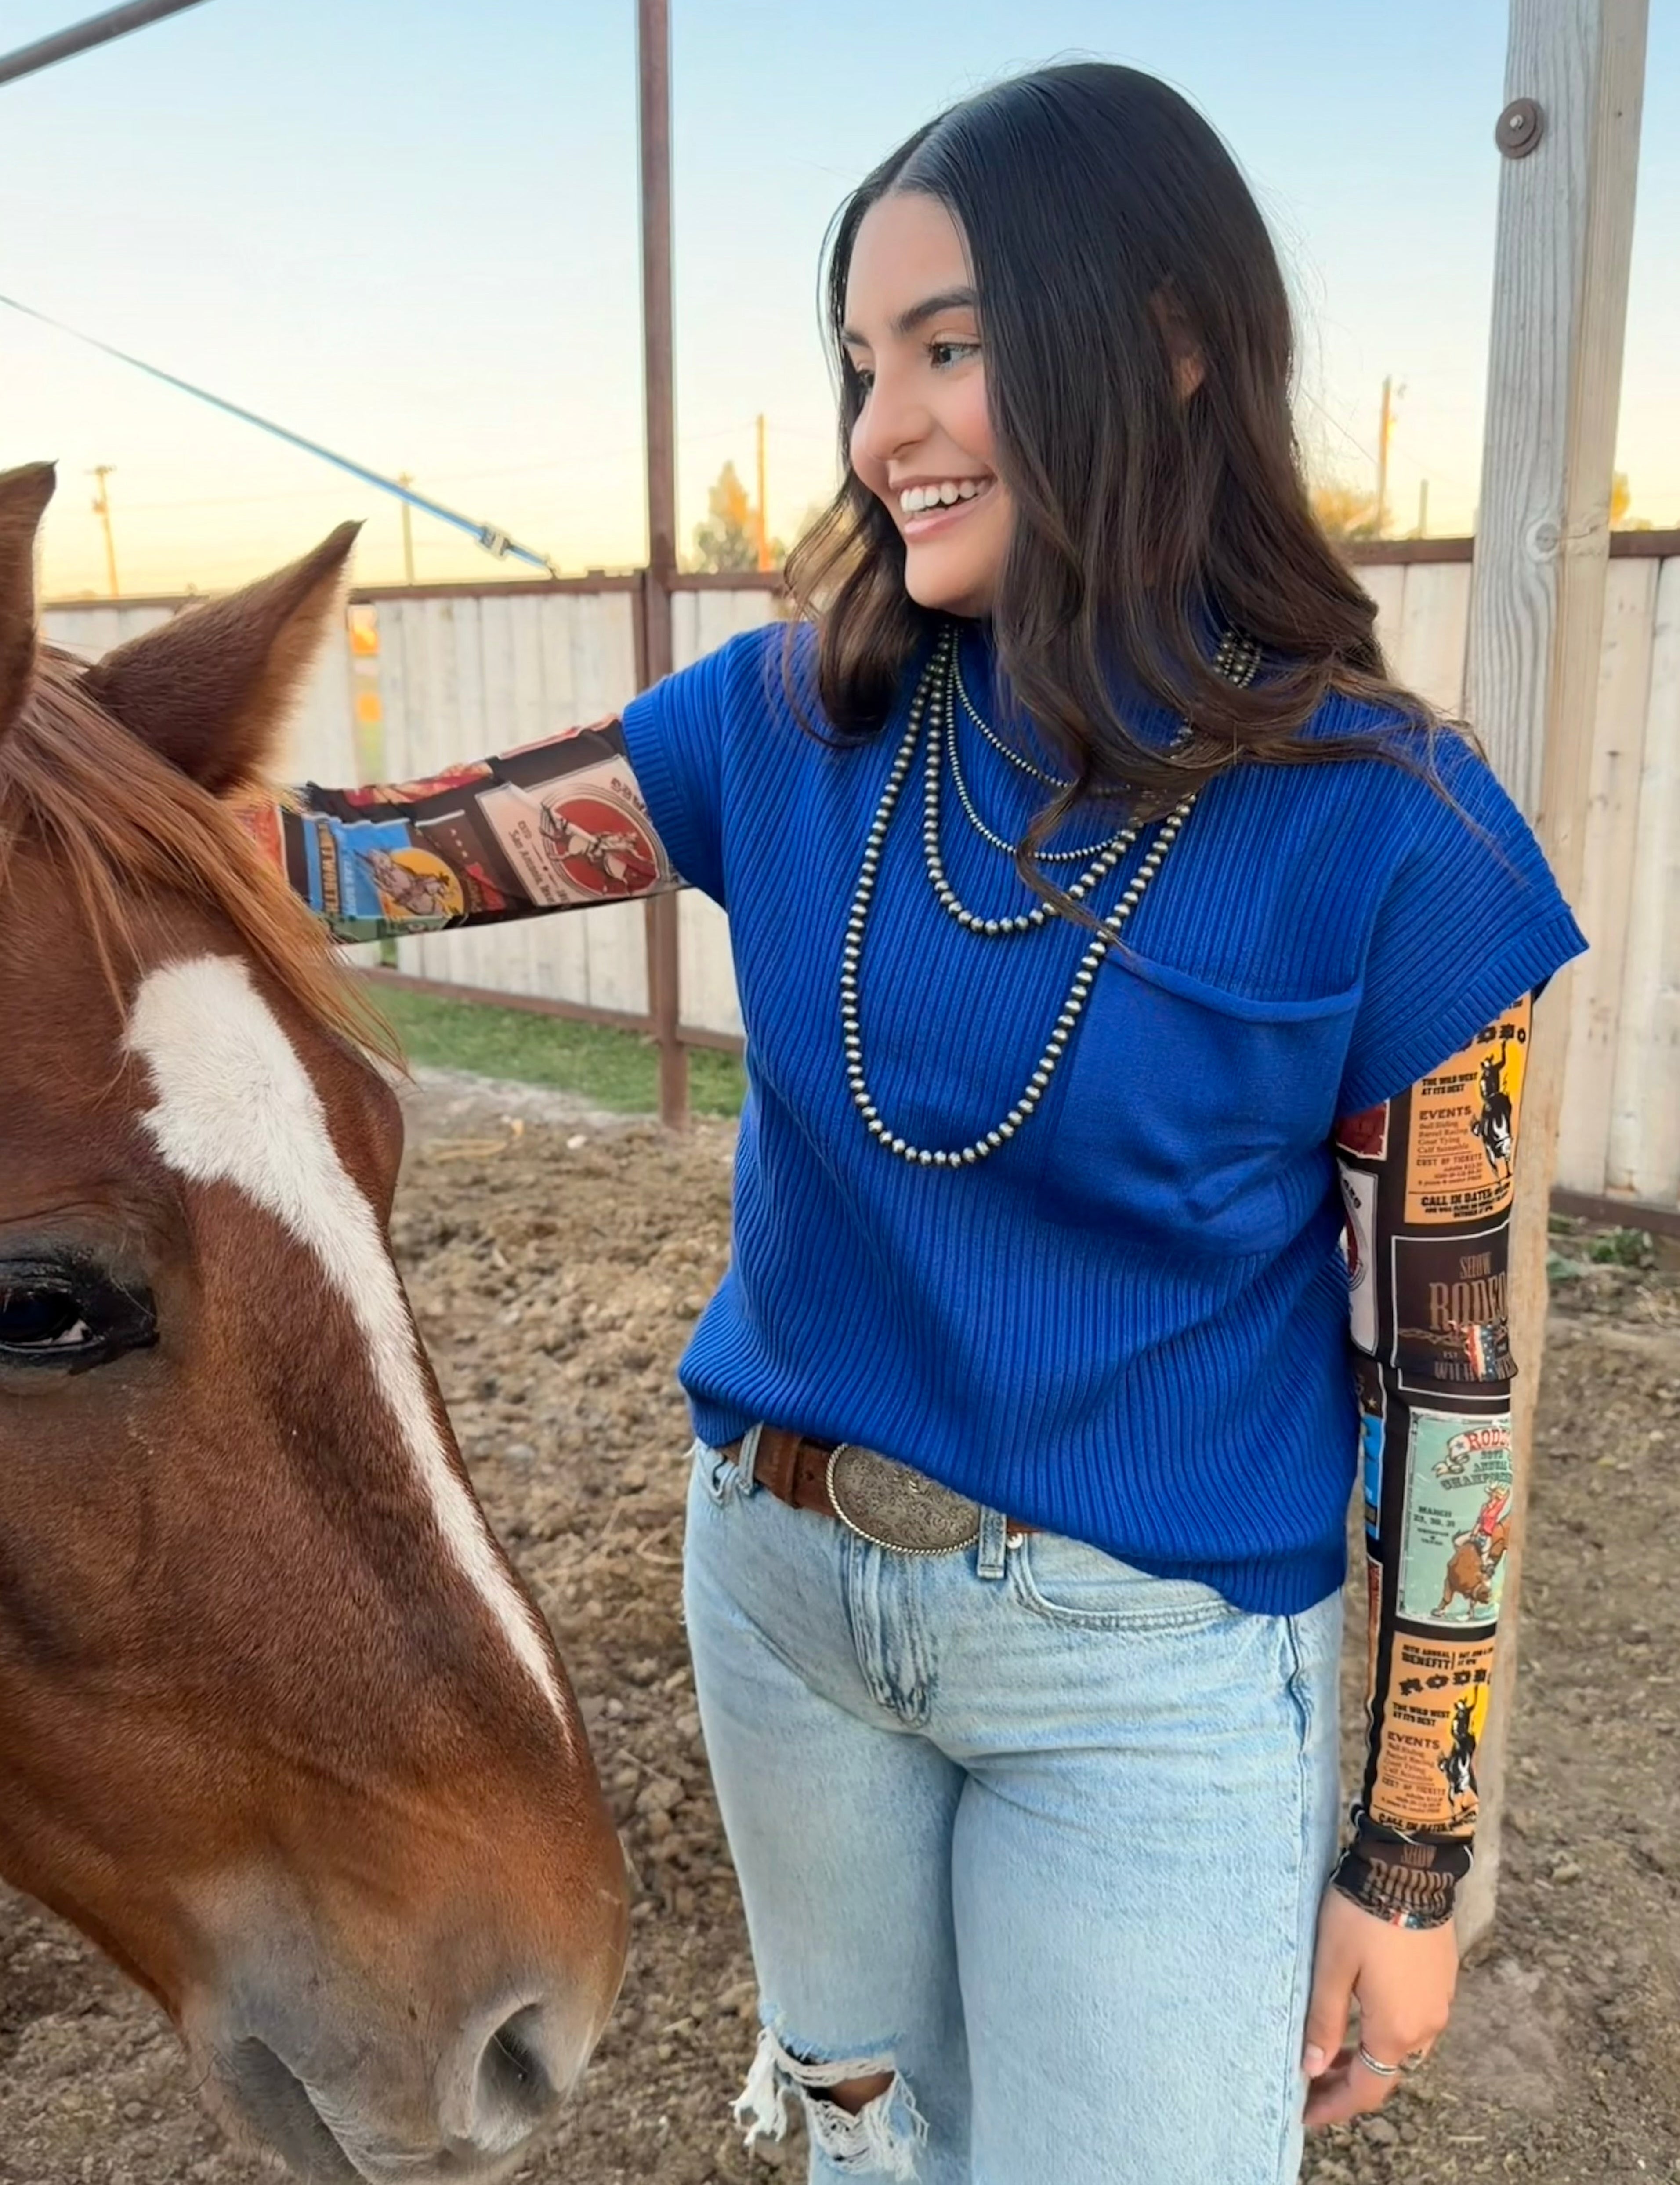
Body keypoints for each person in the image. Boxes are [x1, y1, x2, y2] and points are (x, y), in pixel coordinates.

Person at [264, 64, 1586, 2185]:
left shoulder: (1395, 841)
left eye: (950, 349)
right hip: (782, 1606)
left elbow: (1455, 1390)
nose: (881, 430)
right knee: (869, 2157)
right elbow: (352, 866)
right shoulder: (787, 722)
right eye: (863, 364)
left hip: (1145, 1682)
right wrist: (58, 753)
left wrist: (1409, 1864)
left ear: (1163, 345)